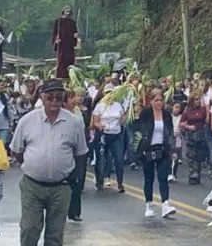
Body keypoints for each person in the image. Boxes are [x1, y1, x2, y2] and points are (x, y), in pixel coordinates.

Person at [9, 79, 89, 246]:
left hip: (61, 187)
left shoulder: (73, 123)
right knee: (29, 229)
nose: (54, 101)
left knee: (55, 235)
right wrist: (34, 165)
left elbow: (80, 153)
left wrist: (72, 175)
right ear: (42, 97)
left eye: (58, 97)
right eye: (50, 97)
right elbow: (16, 151)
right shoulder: (27, 120)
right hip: (32, 186)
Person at [136, 89, 177, 218]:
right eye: (156, 100)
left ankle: (165, 204)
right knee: (149, 178)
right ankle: (149, 204)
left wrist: (172, 150)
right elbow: (141, 130)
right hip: (148, 149)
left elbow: (170, 132)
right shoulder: (146, 114)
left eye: (161, 100)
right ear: (152, 101)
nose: (159, 103)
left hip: (162, 148)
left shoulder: (166, 115)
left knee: (163, 177)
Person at [92, 83, 127, 192]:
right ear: (103, 93)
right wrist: (99, 126)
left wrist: (126, 114)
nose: (109, 94)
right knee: (101, 159)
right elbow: (95, 120)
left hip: (116, 135)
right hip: (103, 135)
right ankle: (99, 182)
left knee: (118, 159)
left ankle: (120, 183)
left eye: (111, 92)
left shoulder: (117, 105)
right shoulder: (100, 105)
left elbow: (122, 121)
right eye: (107, 92)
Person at [65, 88, 90, 222]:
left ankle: (75, 212)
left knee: (76, 181)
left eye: (74, 97)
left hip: (78, 148)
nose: (74, 99)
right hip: (65, 149)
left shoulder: (77, 111)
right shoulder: (61, 113)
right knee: (65, 181)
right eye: (71, 97)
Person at [51, 6, 80, 79]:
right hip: (62, 44)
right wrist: (56, 39)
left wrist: (75, 40)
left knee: (70, 59)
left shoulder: (72, 22)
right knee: (61, 59)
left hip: (69, 44)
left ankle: (69, 74)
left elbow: (75, 33)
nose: (68, 13)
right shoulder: (58, 21)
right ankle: (60, 75)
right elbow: (55, 32)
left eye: (69, 12)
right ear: (63, 12)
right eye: (66, 11)